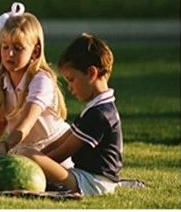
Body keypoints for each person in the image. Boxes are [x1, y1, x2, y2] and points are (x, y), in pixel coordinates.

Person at [0, 2, 71, 166]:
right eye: (5, 47)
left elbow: (25, 124)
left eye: (18, 48)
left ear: (35, 51)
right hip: (23, 152)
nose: (9, 53)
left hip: (56, 150)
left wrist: (4, 146)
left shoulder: (41, 80)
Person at [21, 33, 123, 196]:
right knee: (28, 154)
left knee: (28, 155)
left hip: (93, 183)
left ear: (91, 73)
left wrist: (33, 162)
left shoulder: (100, 114)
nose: (69, 87)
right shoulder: (95, 107)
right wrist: (39, 156)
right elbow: (61, 141)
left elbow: (64, 151)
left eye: (71, 79)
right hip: (84, 176)